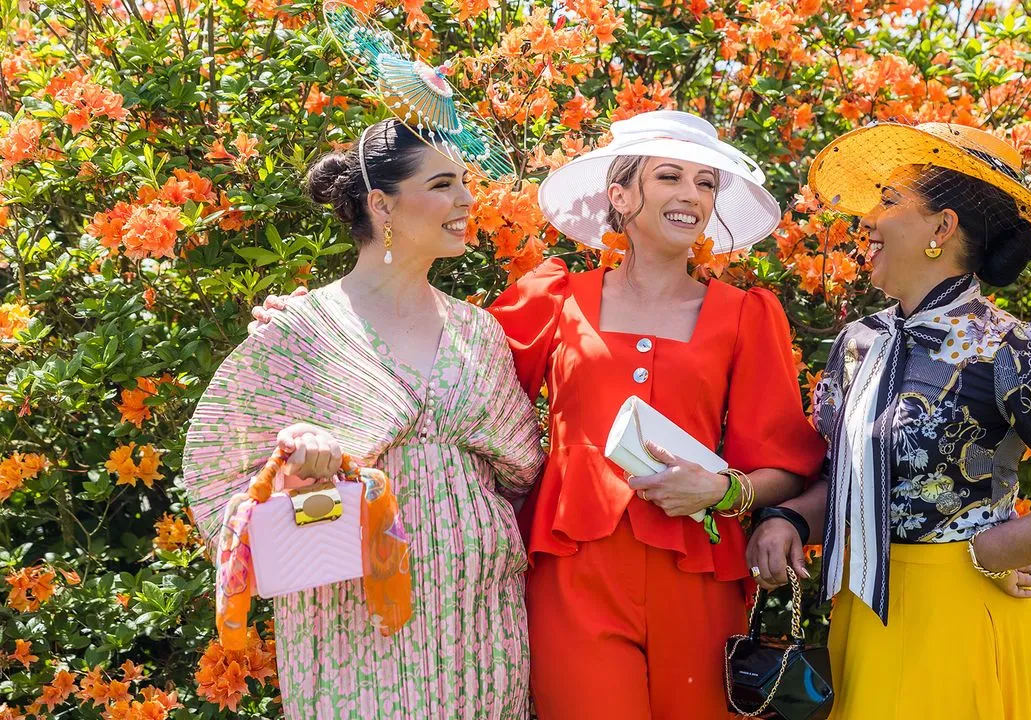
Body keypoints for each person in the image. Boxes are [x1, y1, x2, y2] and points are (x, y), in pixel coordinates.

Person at [253, 110, 828, 718]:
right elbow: (437, 365)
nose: (691, 195)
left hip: (699, 576)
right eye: (669, 177)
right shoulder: (553, 297)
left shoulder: (748, 315)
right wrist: (321, 320)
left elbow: (785, 466)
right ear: (621, 194)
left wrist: (723, 490)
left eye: (706, 184)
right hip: (573, 577)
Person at [746, 122, 1031, 719]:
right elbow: (850, 483)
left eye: (888, 202)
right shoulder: (859, 344)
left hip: (957, 614)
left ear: (942, 227)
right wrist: (784, 519)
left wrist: (997, 549)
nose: (866, 222)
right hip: (861, 614)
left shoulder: (1012, 349)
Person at [184, 118, 545, 719]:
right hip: (351, 616)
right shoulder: (301, 332)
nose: (464, 200)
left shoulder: (478, 331)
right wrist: (297, 463)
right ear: (383, 204)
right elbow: (220, 477)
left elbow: (521, 471)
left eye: (463, 182)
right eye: (442, 184)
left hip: (482, 618)